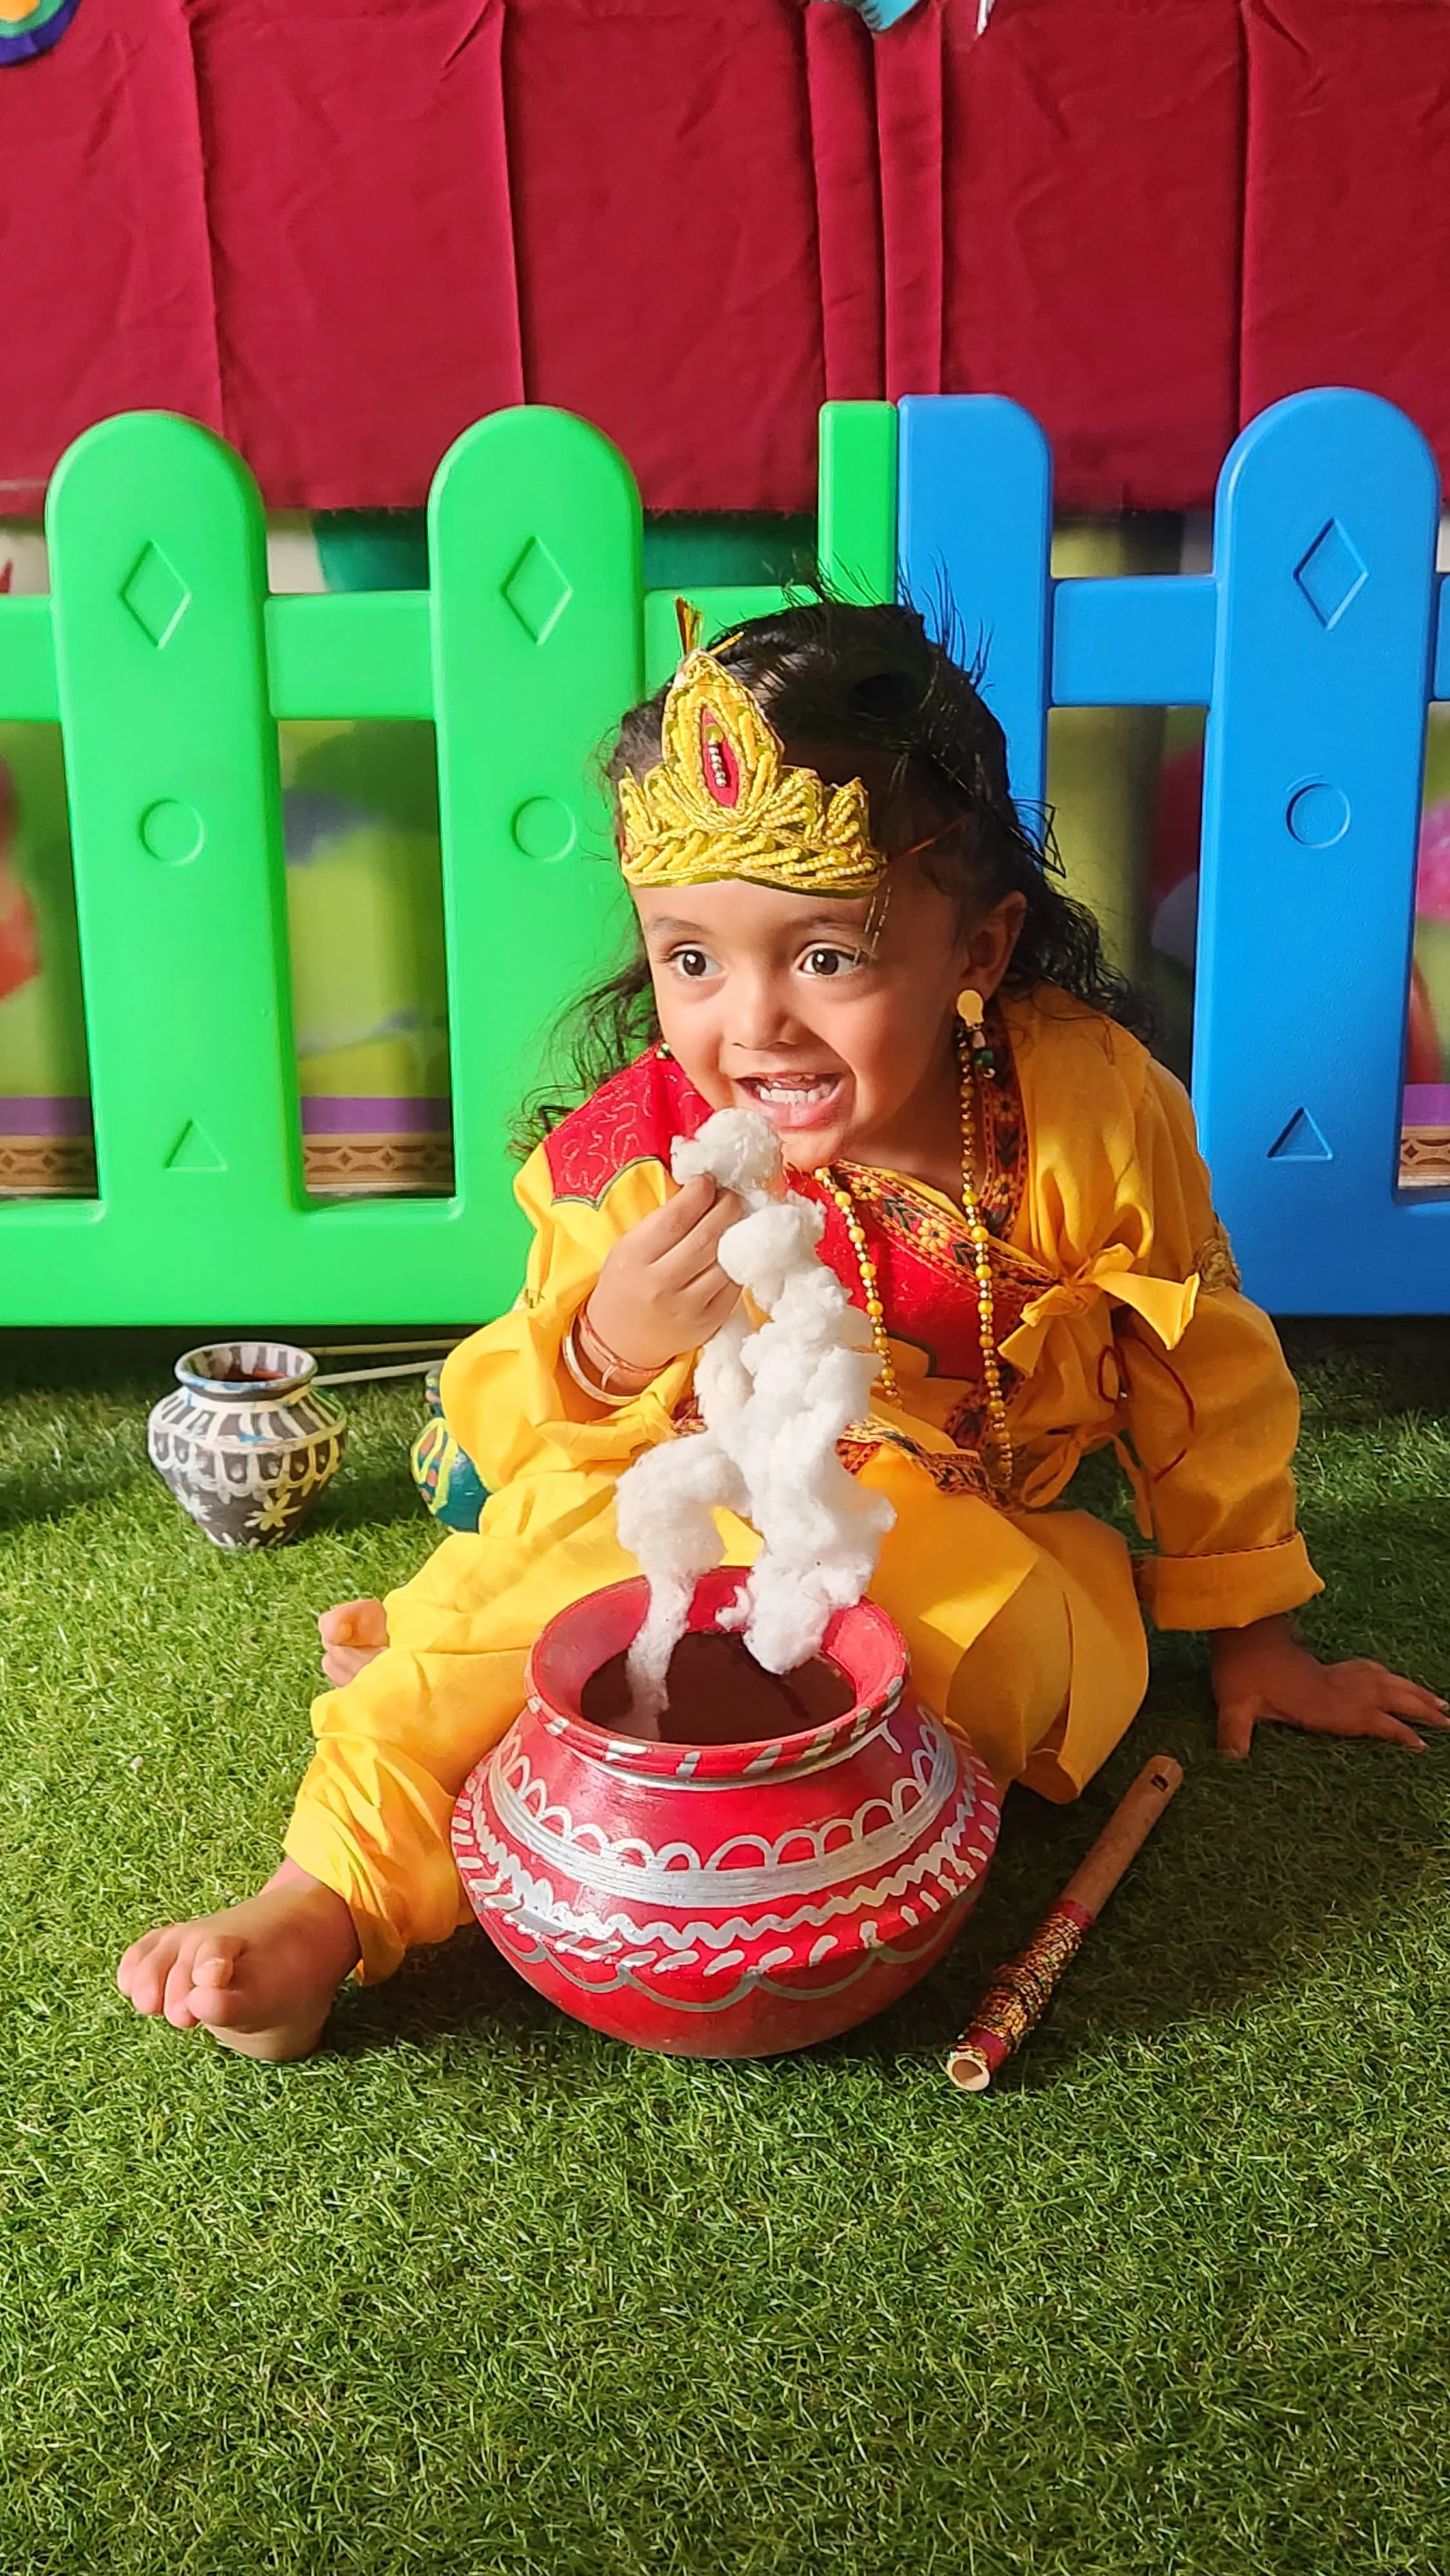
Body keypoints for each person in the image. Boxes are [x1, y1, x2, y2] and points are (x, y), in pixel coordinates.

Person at [118, 601, 1447, 2060]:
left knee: (949, 1648)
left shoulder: (1085, 1110)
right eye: (692, 960)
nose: (753, 1023)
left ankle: (704, 1801)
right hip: (672, 1506)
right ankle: (321, 1903)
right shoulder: (629, 1156)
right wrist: (608, 1344)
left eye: (823, 958)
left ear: (978, 945)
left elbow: (1203, 1372)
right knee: (473, 1638)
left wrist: (1255, 1633)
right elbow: (515, 1412)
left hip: (967, 1536)